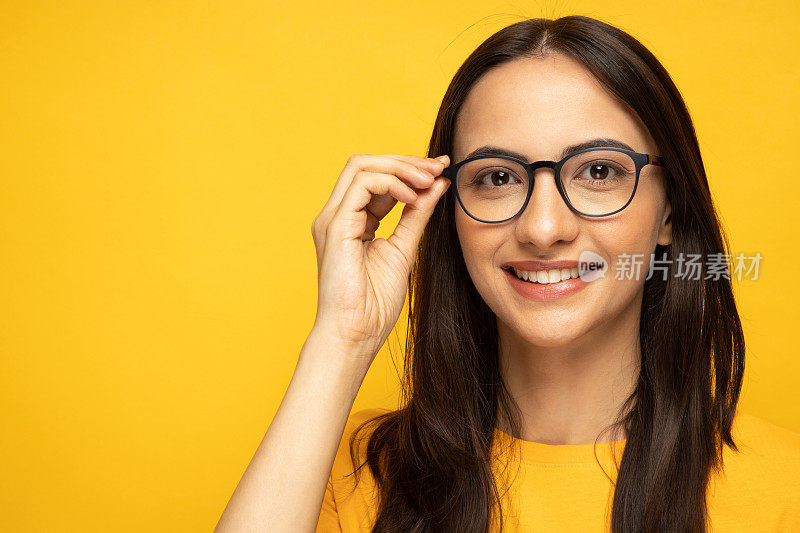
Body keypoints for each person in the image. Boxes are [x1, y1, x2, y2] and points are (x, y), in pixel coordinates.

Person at [215, 15, 800, 532]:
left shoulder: (784, 490)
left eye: (598, 171)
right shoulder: (347, 473)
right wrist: (343, 337)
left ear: (668, 210)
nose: (544, 229)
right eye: (497, 177)